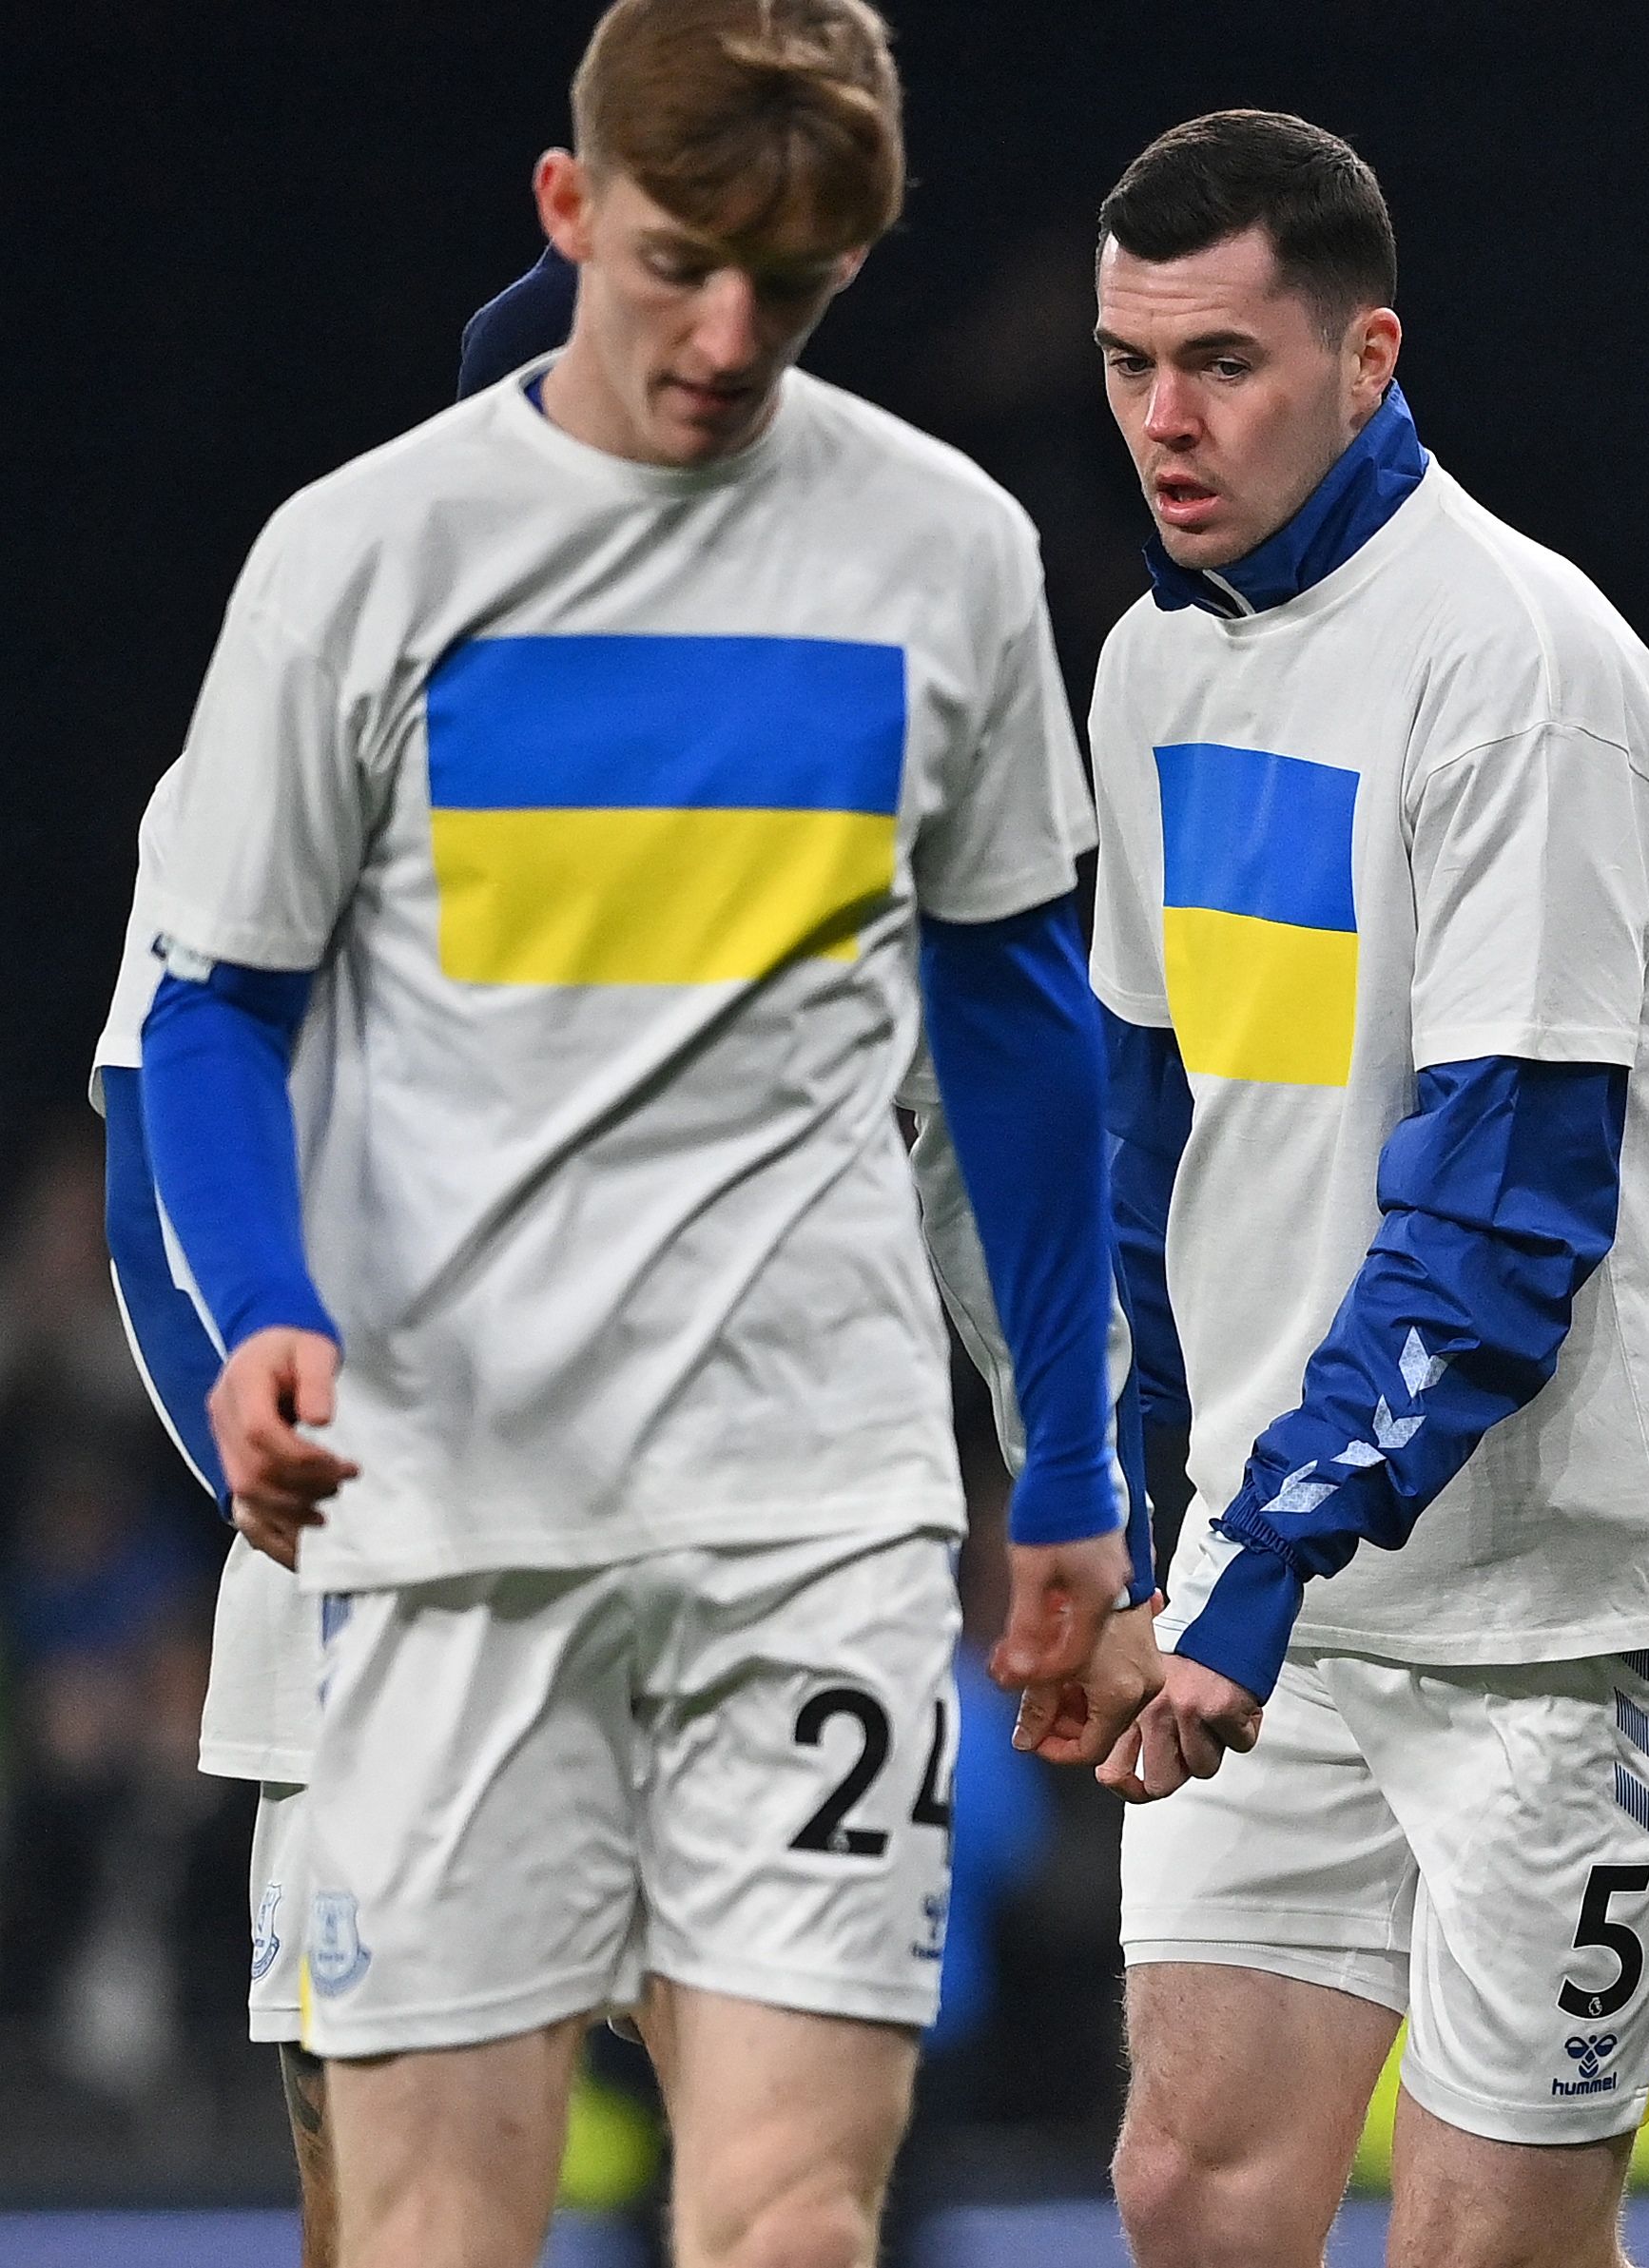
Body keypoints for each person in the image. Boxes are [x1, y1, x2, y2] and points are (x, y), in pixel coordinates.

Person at [128, 2, 1135, 2260]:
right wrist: (260, 1305)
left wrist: (1066, 1461)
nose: (725, 338)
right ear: (567, 206)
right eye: (681, 264)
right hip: (450, 1519)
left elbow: (1012, 1018)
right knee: (432, 2229)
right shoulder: (364, 555)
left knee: (792, 2217)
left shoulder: (943, 546)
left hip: (815, 1513)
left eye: (792, 285)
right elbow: (212, 1007)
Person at [1038, 109, 1649, 2268]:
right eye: (1127, 365)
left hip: (1577, 1603)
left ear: (1369, 356)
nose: (1163, 423)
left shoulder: (1522, 670)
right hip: (1282, 1554)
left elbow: (1502, 1215)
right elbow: (1150, 1131)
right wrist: (1138, 1519)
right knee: (1190, 2191)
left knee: (1487, 2244)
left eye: (1222, 364)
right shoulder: (1152, 662)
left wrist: (1259, 1561)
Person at [86, 243, 597, 2268]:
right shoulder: (273, 755)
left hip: (724, 1557)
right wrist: (271, 1466)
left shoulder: (799, 733)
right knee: (384, 2202)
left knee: (797, 2165)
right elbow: (156, 1169)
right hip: (388, 1579)